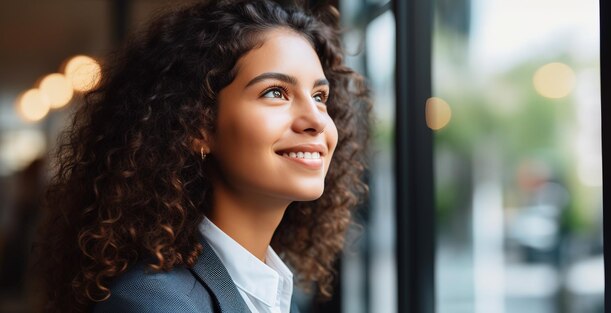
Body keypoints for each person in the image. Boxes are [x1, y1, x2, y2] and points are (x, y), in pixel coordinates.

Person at [32, 0, 370, 312]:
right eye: (275, 92)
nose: (316, 120)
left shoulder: (277, 296)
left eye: (319, 96)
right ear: (197, 126)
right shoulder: (154, 305)